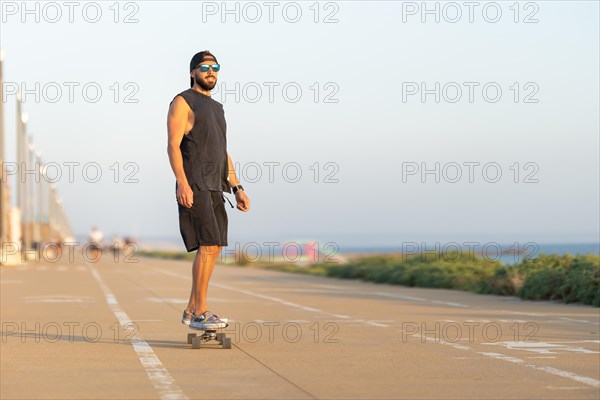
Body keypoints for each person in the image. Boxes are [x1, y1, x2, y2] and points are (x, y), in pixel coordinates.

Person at [167, 50, 250, 330]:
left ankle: (193, 309)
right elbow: (172, 145)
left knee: (213, 247)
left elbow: (223, 152)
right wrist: (182, 182)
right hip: (196, 184)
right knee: (207, 245)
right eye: (204, 67)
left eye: (215, 66)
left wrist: (237, 187)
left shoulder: (217, 108)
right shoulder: (183, 102)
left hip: (217, 187)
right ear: (193, 72)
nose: (211, 71)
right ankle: (199, 310)